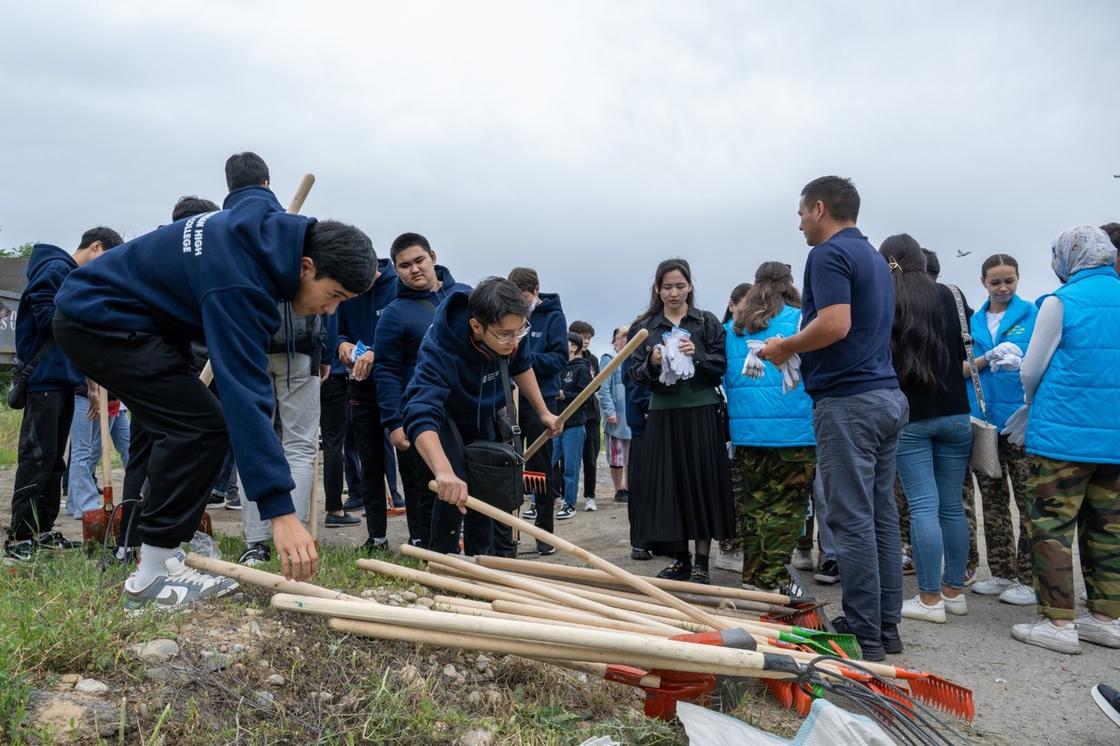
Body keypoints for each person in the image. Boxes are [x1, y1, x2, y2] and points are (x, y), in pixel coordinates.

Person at [53, 173, 375, 605]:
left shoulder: (264, 220)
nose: (330, 310)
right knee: (200, 428)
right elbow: (247, 395)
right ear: (306, 267)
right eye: (332, 295)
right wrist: (280, 512)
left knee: (181, 429)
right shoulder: (241, 283)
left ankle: (163, 556)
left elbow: (250, 192)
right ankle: (151, 576)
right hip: (100, 319)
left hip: (142, 322)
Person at [759, 176, 908, 661]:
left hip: (849, 403)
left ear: (819, 209)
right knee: (881, 515)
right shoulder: (875, 259)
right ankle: (886, 628)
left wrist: (785, 346)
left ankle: (864, 635)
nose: (798, 222)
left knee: (850, 518)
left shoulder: (826, 254)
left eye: (801, 212)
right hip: (886, 395)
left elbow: (835, 323)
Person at [1009, 225, 1120, 654]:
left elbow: (1031, 367)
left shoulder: (1062, 301)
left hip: (1062, 437)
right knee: (1109, 529)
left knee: (1053, 528)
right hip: (1114, 440)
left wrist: (1032, 403)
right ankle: (1107, 618)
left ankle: (1058, 623)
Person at [402, 279, 561, 555]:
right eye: (504, 335)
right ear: (477, 326)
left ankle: (482, 559)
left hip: (484, 411)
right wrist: (443, 471)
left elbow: (522, 366)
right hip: (444, 416)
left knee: (487, 483)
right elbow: (420, 412)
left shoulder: (511, 330)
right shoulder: (440, 347)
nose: (513, 343)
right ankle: (443, 560)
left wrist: (543, 412)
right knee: (454, 488)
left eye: (519, 332)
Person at [5, 228, 123, 561]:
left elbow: (67, 336)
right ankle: (20, 538)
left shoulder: (69, 276)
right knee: (37, 459)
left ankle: (42, 531)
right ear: (96, 246)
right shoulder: (54, 268)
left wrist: (89, 381)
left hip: (63, 381)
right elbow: (46, 316)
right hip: (43, 381)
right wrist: (86, 318)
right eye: (107, 259)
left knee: (55, 461)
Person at [877, 235, 972, 624]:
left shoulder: (888, 300)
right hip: (956, 412)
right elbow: (965, 350)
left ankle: (929, 599)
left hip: (912, 415)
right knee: (953, 506)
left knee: (923, 507)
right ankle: (954, 592)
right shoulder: (952, 294)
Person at [629, 258, 734, 584]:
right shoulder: (645, 327)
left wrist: (697, 353)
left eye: (679, 286)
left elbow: (720, 367)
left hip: (702, 412)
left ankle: (702, 562)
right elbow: (634, 374)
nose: (673, 293)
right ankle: (680, 559)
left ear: (689, 286)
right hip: (663, 413)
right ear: (657, 290)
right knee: (670, 485)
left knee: (702, 483)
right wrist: (652, 359)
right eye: (667, 287)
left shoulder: (707, 322)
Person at [722, 262, 815, 591]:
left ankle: (753, 576)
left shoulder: (733, 328)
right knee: (787, 511)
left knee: (756, 507)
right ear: (788, 285)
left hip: (746, 436)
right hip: (795, 433)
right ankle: (771, 581)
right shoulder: (800, 320)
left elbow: (725, 379)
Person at [375, 232, 469, 549]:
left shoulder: (464, 298)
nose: (414, 269)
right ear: (396, 270)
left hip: (466, 412)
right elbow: (385, 370)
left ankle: (472, 548)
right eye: (404, 265)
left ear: (433, 256)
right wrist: (394, 422)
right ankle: (427, 548)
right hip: (421, 417)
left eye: (419, 260)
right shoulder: (394, 314)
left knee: (471, 481)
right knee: (426, 489)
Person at [965, 254, 1037, 606]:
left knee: (1027, 501)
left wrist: (1023, 363)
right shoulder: (972, 323)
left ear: (1018, 279)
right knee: (992, 503)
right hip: (985, 423)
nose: (1003, 288)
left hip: (1021, 422)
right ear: (984, 283)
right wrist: (988, 357)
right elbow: (959, 369)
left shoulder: (1033, 315)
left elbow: (1045, 361)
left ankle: (1028, 576)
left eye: (1009, 280)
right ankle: (1002, 572)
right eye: (996, 282)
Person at [337, 245, 399, 553]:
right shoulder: (349, 290)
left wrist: (378, 351)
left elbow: (410, 333)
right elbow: (339, 331)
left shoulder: (398, 286)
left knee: (411, 460)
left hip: (397, 387)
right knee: (370, 463)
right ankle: (377, 538)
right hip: (361, 388)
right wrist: (343, 345)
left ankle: (420, 537)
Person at [507, 267, 567, 554]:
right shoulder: (510, 313)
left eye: (525, 297)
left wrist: (524, 359)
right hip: (510, 400)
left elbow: (558, 358)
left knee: (540, 467)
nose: (522, 303)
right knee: (509, 463)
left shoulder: (553, 316)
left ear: (535, 291)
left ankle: (544, 533)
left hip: (542, 400)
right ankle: (509, 530)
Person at [318, 312, 361, 527]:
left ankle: (291, 509)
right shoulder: (333, 297)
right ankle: (334, 509)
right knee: (333, 444)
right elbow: (333, 332)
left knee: (294, 444)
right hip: (332, 374)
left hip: (297, 369)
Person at [555, 333, 595, 518]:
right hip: (555, 424)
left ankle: (569, 504)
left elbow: (585, 396)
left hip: (574, 425)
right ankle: (539, 503)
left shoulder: (582, 369)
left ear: (573, 347)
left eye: (565, 342)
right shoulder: (557, 366)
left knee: (570, 468)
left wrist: (565, 395)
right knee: (548, 463)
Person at [569, 320, 601, 505]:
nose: (586, 341)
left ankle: (590, 495)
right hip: (571, 414)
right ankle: (563, 495)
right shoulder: (565, 357)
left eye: (589, 338)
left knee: (590, 457)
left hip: (591, 414)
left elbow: (596, 384)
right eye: (583, 337)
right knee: (567, 459)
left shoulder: (592, 359)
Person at [599, 326, 632, 503]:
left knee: (632, 456)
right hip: (617, 417)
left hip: (633, 416)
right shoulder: (609, 359)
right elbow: (603, 389)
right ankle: (619, 489)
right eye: (622, 336)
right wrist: (609, 411)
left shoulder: (636, 359)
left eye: (629, 336)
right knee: (617, 457)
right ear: (615, 341)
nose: (626, 339)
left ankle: (629, 487)